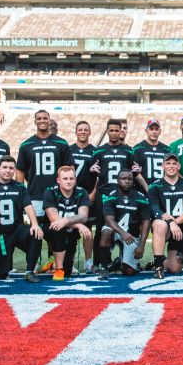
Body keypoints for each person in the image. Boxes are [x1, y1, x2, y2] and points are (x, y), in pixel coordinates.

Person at [17, 109, 74, 278]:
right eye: (39, 118)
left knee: (58, 230)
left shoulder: (61, 143)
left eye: (45, 118)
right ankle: (32, 266)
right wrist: (21, 195)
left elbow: (69, 169)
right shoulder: (26, 145)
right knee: (36, 232)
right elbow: (20, 172)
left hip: (56, 197)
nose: (42, 121)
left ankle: (58, 264)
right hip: (34, 195)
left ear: (49, 121)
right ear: (35, 121)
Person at [0, 156, 43, 281]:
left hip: (16, 230)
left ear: (14, 170)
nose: (8, 171)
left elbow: (28, 205)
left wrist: (35, 224)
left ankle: (30, 271)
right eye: (5, 167)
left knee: (36, 234)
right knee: (1, 275)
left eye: (11, 168)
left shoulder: (19, 187)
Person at [83, 119, 138, 247]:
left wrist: (136, 171)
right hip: (104, 193)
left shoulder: (128, 151)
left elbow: (133, 171)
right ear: (107, 131)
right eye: (111, 130)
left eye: (116, 131)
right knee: (102, 227)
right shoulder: (99, 151)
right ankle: (99, 263)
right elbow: (92, 172)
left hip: (123, 194)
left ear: (121, 131)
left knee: (125, 226)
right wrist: (92, 170)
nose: (114, 133)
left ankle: (123, 259)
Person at [95, 169, 151, 279]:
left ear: (133, 181)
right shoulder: (111, 195)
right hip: (116, 231)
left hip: (131, 235)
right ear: (117, 181)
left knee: (129, 272)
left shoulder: (141, 198)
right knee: (106, 232)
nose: (127, 181)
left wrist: (142, 245)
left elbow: (146, 222)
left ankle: (117, 263)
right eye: (123, 179)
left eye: (129, 179)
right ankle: (104, 267)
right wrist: (123, 233)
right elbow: (109, 220)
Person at [42, 166, 93, 278]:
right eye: (65, 179)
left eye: (71, 178)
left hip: (71, 232)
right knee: (58, 229)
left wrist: (66, 220)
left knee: (68, 271)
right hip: (51, 229)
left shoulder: (81, 192)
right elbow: (54, 219)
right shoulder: (50, 191)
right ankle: (58, 269)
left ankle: (52, 265)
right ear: (58, 180)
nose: (69, 181)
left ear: (75, 180)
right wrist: (78, 224)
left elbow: (83, 216)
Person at [147, 154, 183, 278]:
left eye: (174, 163)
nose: (171, 166)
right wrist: (171, 223)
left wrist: (176, 222)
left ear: (179, 166)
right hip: (165, 227)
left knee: (175, 269)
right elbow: (154, 209)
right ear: (163, 165)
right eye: (168, 163)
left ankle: (161, 261)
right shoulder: (154, 186)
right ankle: (158, 266)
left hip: (181, 229)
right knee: (159, 224)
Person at [69, 120, 98, 272]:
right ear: (76, 132)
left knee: (87, 229)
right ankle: (70, 261)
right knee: (71, 229)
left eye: (86, 129)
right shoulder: (68, 150)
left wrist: (92, 194)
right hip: (71, 195)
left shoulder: (95, 151)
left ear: (89, 132)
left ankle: (88, 262)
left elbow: (100, 177)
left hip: (87, 195)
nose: (83, 132)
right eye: (80, 129)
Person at [132, 118, 172, 190]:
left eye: (156, 129)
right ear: (146, 131)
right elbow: (135, 172)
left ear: (160, 131)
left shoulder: (167, 150)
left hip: (162, 190)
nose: (154, 132)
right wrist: (147, 188)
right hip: (142, 191)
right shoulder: (137, 149)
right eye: (151, 129)